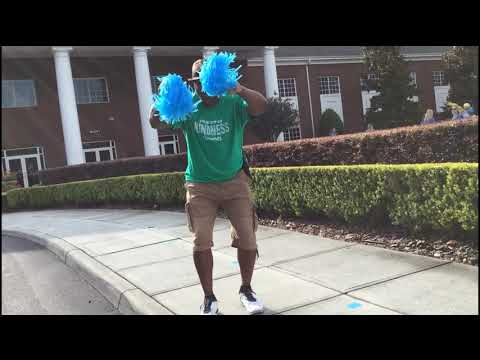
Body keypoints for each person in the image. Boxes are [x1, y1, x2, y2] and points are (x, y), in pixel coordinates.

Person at [149, 59, 268, 315]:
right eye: (197, 82)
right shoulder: (188, 109)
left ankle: (246, 290)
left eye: (206, 80)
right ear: (193, 84)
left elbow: (261, 106)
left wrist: (240, 89)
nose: (202, 87)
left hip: (235, 181)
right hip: (200, 185)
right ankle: (209, 298)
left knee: (247, 236)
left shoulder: (234, 104)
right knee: (201, 241)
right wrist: (161, 103)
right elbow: (156, 123)